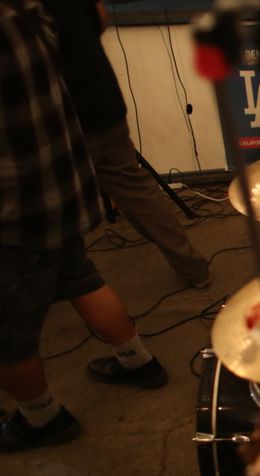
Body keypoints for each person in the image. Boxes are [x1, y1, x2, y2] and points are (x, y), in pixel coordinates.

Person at [0, 0, 168, 452]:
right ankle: (138, 361)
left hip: (13, 206)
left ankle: (41, 419)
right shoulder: (28, 8)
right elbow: (95, 21)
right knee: (78, 275)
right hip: (60, 182)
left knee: (8, 333)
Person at [41, 0, 210, 288]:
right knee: (137, 191)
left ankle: (61, 284)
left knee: (48, 207)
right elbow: (101, 19)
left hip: (62, 116)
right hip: (101, 99)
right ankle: (193, 269)